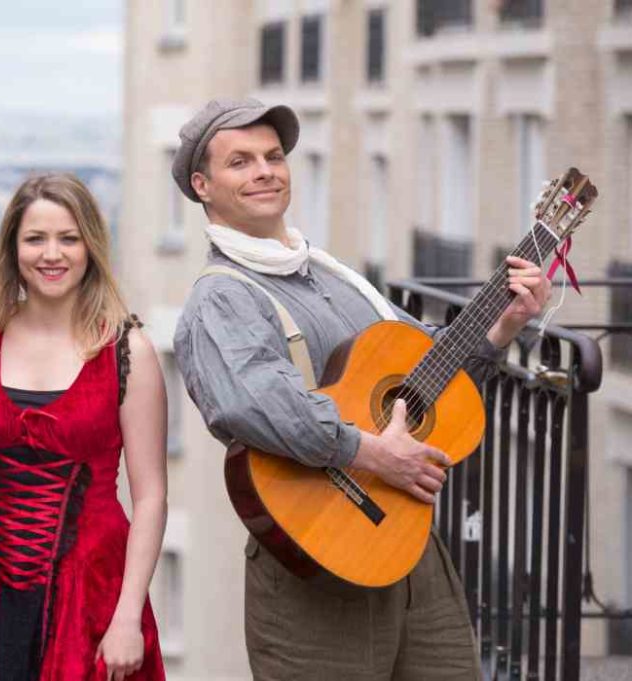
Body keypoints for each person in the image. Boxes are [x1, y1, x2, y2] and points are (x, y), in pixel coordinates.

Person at [170, 98, 551, 680]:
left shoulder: (333, 278)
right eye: (240, 162)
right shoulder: (223, 295)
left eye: (274, 156)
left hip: (408, 545)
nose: (265, 170)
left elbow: (427, 370)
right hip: (314, 562)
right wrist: (375, 453)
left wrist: (505, 324)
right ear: (202, 185)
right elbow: (256, 404)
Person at [0, 173, 168, 681]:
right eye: (36, 238)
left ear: (91, 246)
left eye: (69, 238)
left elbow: (150, 496)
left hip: (93, 594)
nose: (52, 254)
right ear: (12, 248)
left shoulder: (128, 352)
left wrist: (128, 614)